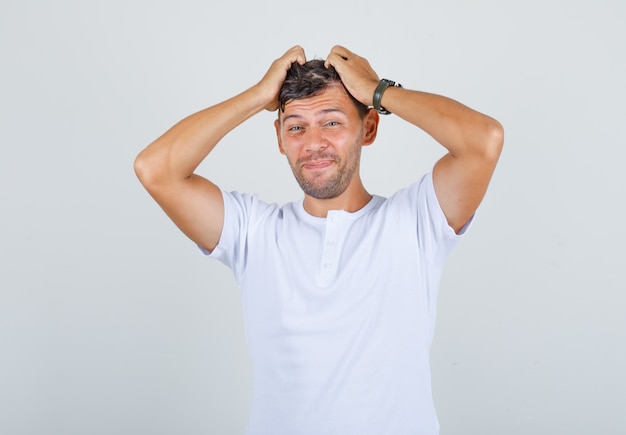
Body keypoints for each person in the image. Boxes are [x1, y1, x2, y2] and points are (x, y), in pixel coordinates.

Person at [134, 45, 504, 435]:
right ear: (279, 138)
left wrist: (378, 91)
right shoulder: (254, 233)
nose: (313, 143)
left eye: (331, 123)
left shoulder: (415, 221)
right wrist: (259, 95)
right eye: (295, 127)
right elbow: (155, 169)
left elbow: (484, 140)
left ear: (370, 128)